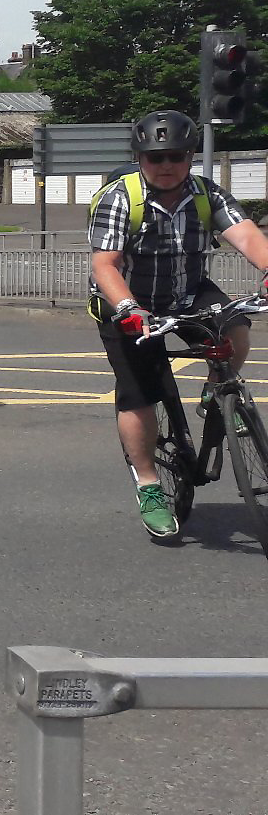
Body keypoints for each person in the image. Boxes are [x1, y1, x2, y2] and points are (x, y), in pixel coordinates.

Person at [89, 109, 268, 539]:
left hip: (189, 292)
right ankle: (149, 485)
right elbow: (105, 264)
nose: (166, 165)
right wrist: (129, 308)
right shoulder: (120, 198)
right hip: (128, 301)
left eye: (176, 156)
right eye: (156, 157)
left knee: (236, 328)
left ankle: (217, 388)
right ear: (140, 158)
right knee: (138, 394)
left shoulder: (207, 194)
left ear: (189, 156)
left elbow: (245, 234)